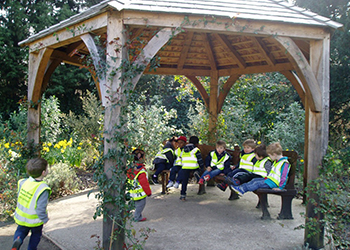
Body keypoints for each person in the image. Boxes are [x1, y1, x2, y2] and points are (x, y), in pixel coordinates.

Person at [11, 158, 51, 250]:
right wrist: (44, 218)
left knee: (20, 231)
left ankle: (18, 240)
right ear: (43, 173)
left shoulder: (23, 182)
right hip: (35, 220)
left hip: (21, 217)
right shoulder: (43, 188)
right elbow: (40, 208)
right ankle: (31, 249)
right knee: (36, 235)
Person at [178, 136, 204, 201]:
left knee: (185, 181)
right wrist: (202, 167)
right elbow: (199, 160)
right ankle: (196, 173)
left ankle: (183, 195)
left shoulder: (183, 149)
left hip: (185, 167)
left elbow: (180, 158)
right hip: (194, 166)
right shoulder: (196, 149)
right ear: (197, 144)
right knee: (198, 169)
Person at [127, 153, 152, 222]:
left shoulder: (130, 168)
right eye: (144, 157)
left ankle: (126, 212)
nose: (145, 159)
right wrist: (148, 193)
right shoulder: (141, 171)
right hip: (140, 193)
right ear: (140, 159)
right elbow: (144, 184)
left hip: (132, 192)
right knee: (140, 205)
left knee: (132, 203)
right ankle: (137, 217)